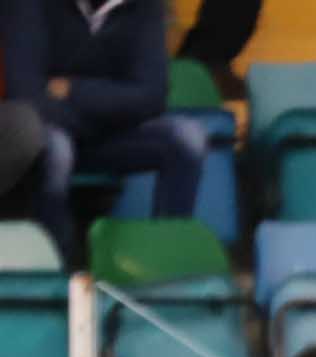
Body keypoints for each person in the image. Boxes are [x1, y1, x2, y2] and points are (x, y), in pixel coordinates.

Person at [3, 0, 208, 263]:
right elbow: (27, 95)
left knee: (187, 138)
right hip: (52, 132)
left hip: (109, 135)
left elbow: (152, 96)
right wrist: (112, 104)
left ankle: (168, 260)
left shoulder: (144, 6)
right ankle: (56, 269)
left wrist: (74, 89)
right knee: (56, 148)